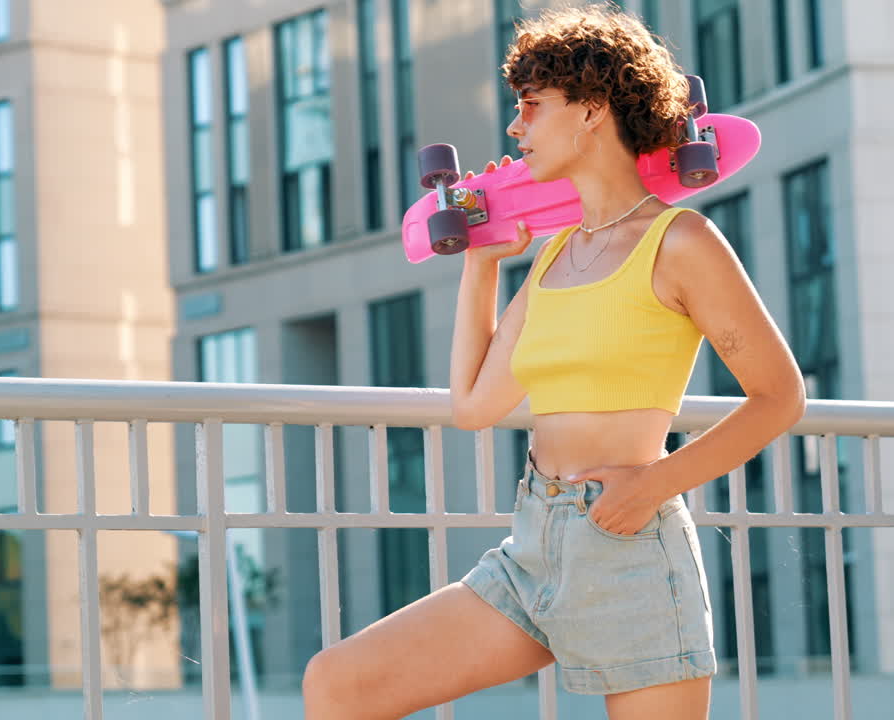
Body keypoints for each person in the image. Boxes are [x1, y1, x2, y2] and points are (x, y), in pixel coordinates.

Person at [302, 4, 805, 718]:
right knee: (337, 684)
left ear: (594, 110)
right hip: (533, 546)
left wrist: (653, 485)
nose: (515, 128)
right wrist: (481, 266)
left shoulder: (680, 241)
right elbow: (473, 406)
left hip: (627, 547)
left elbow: (779, 397)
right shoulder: (552, 257)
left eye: (532, 107)